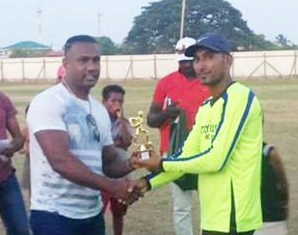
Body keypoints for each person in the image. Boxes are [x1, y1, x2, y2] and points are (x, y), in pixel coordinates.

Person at [133, 32, 263, 235]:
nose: (201, 65)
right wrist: (148, 182)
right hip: (212, 217)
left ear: (228, 60)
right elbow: (185, 158)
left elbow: (215, 159)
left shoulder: (240, 97)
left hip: (235, 217)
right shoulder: (206, 108)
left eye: (209, 57)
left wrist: (161, 163)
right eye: (197, 59)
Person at [26, 35, 139, 235]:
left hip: (92, 215)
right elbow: (60, 161)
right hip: (54, 216)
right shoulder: (49, 102)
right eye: (83, 60)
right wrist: (112, 187)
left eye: (96, 60)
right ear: (66, 64)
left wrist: (132, 163)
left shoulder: (98, 110)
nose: (92, 67)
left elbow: (107, 162)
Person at [146, 37, 209, 235]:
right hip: (173, 151)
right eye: (182, 61)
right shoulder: (166, 83)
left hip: (206, 150)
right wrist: (166, 114)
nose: (187, 65)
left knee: (211, 203)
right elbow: (151, 119)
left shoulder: (209, 81)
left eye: (190, 60)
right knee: (182, 206)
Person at [101, 84, 134, 235]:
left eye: (120, 102)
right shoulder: (99, 121)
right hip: (103, 170)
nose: (117, 105)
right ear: (104, 102)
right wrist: (115, 143)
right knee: (99, 207)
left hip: (121, 170)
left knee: (119, 209)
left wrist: (121, 121)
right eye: (113, 101)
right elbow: (101, 145)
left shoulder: (124, 122)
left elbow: (126, 142)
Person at [0, 91, 30, 235]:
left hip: (5, 179)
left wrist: (9, 148)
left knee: (21, 230)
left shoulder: (2, 98)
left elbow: (18, 139)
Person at [254, 142, 289, 235]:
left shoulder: (268, 152)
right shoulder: (268, 151)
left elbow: (282, 184)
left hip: (268, 221)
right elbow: (283, 185)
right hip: (273, 219)